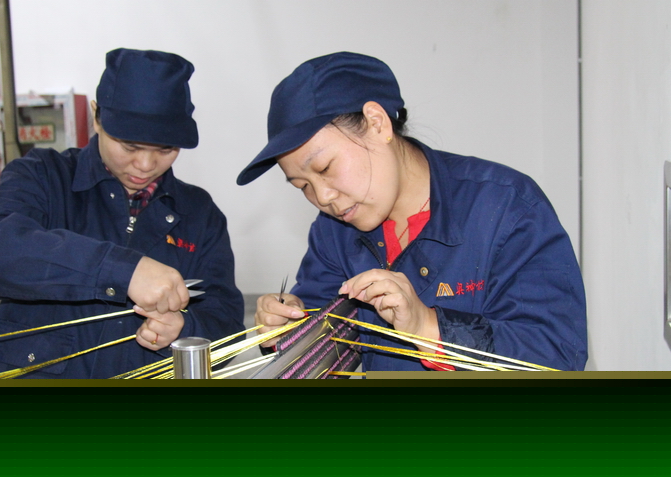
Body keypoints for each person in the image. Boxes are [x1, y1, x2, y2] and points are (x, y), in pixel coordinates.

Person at [237, 52, 587, 371]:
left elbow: (558, 355)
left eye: (326, 168)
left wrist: (428, 327)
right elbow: (322, 346)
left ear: (377, 123)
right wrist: (287, 333)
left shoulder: (504, 207)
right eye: (302, 186)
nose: (323, 197)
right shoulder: (335, 230)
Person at [0, 48, 244, 378]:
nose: (145, 165)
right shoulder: (43, 176)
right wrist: (123, 270)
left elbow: (226, 324)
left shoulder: (198, 213)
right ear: (96, 117)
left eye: (166, 149)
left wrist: (185, 328)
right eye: (129, 146)